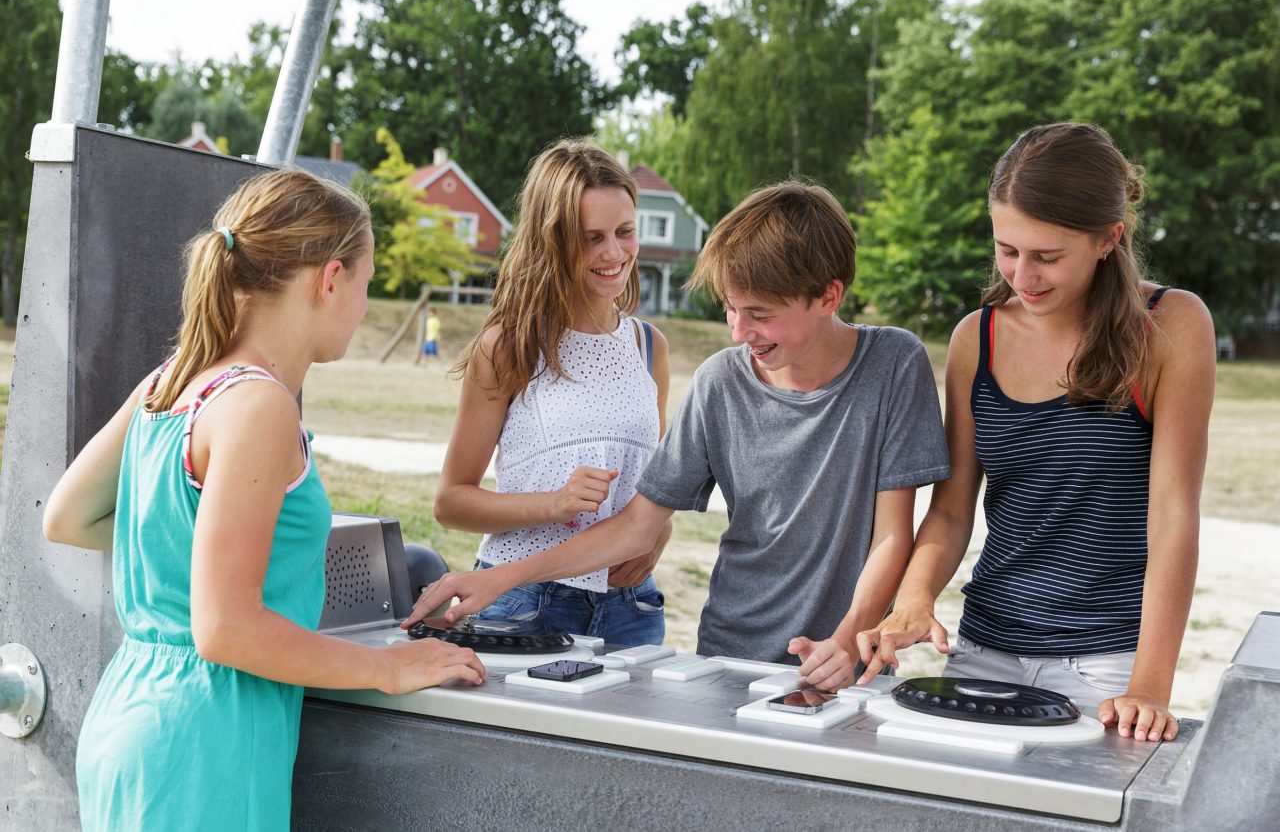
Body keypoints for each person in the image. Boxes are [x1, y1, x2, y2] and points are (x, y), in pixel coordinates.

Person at [42, 170, 485, 831]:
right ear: (330, 278)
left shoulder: (172, 381)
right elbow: (225, 628)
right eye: (366, 283)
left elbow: (68, 517)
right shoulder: (260, 405)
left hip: (130, 714)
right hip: (205, 739)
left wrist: (208, 545)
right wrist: (387, 667)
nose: (364, 308)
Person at [411, 180, 951, 690]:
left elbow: (891, 532)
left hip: (844, 659)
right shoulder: (720, 381)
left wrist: (846, 637)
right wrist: (501, 578)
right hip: (727, 655)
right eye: (731, 310)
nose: (740, 333)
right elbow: (636, 526)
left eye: (759, 315)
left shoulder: (894, 363)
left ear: (829, 296)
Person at [854, 123, 1215, 744]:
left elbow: (1173, 518)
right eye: (1007, 250)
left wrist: (1151, 687)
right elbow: (950, 510)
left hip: (1106, 664)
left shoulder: (1172, 326)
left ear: (1109, 238)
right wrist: (913, 597)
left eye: (1048, 256)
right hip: (985, 646)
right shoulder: (978, 337)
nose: (1024, 274)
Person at [432, 139, 671, 645]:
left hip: (632, 605)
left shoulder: (650, 348)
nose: (614, 253)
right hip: (525, 601)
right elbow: (450, 502)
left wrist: (659, 533)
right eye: (591, 238)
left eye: (624, 232)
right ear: (553, 241)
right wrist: (552, 504)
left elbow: (655, 490)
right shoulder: (509, 346)